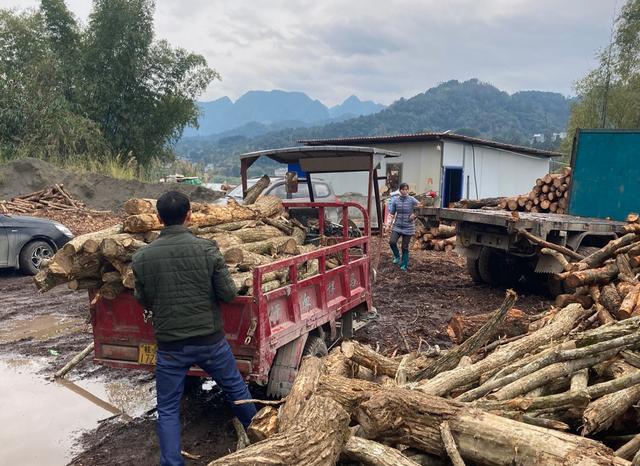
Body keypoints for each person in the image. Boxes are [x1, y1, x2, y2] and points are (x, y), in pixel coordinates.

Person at [132, 191, 256, 466]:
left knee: (167, 409)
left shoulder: (142, 257)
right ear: (189, 215)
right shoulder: (207, 248)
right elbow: (227, 294)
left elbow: (143, 298)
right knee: (237, 391)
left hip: (171, 346)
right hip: (210, 342)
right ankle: (267, 442)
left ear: (158, 218)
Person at [385, 183, 419, 271]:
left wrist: (414, 215)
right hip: (397, 226)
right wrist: (388, 225)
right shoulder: (396, 200)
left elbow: (420, 207)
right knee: (392, 242)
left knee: (404, 247)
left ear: (408, 190)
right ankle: (397, 256)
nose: (405, 191)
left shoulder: (412, 200)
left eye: (406, 189)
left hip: (408, 227)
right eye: (403, 189)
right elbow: (391, 214)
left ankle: (404, 264)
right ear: (400, 190)